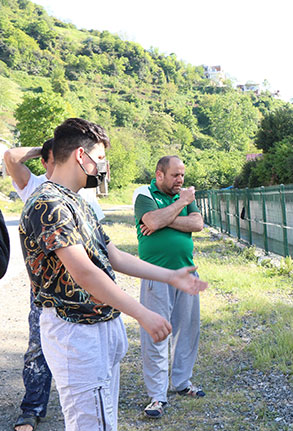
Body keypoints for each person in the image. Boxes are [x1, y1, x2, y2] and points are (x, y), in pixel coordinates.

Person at [19, 118, 207, 431]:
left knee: (104, 420)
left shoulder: (77, 202)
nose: (102, 167)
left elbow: (113, 255)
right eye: (100, 159)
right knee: (90, 424)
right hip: (76, 333)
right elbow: (85, 273)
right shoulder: (49, 204)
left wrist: (170, 276)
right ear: (82, 156)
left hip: (97, 329)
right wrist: (143, 314)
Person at [5, 138, 106, 431]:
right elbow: (11, 157)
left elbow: (101, 244)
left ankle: (80, 402)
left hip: (82, 286)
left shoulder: (84, 195)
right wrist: (48, 148)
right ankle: (32, 408)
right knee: (38, 348)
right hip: (47, 288)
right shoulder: (34, 186)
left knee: (81, 351)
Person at [132, 155, 205, 418]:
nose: (181, 180)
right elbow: (150, 223)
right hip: (157, 275)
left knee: (187, 330)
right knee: (157, 333)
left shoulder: (184, 195)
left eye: (183, 175)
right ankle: (157, 396)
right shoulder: (144, 193)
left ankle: (182, 383)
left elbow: (198, 223)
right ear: (159, 174)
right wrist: (181, 205)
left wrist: (165, 218)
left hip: (187, 273)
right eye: (175, 175)